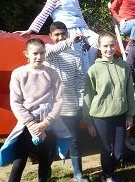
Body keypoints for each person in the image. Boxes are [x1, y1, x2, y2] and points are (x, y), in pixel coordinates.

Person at [0, 38, 68, 182]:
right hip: (26, 125)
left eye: (42, 53)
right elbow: (16, 103)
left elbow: (59, 100)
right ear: (26, 54)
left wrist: (46, 123)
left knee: (45, 160)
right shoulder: (18, 74)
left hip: (48, 125)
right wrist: (31, 124)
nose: (39, 57)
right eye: (35, 53)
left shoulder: (52, 73)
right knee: (19, 161)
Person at [15, 0, 99, 73]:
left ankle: (89, 68)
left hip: (80, 28)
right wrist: (31, 29)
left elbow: (80, 15)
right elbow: (44, 13)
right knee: (78, 53)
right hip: (67, 29)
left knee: (97, 41)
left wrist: (86, 29)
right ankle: (83, 73)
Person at [83, 31, 135, 182]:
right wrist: (89, 122)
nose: (109, 49)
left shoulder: (124, 66)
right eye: (105, 46)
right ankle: (109, 176)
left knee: (119, 152)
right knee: (106, 150)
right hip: (100, 117)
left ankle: (106, 173)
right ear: (99, 47)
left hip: (120, 115)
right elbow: (88, 96)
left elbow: (129, 91)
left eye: (112, 45)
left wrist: (130, 116)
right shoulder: (93, 70)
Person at [45, 21, 87, 182]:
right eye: (57, 34)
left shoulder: (75, 55)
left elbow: (79, 81)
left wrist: (81, 103)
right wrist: (70, 41)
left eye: (64, 34)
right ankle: (46, 175)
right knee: (49, 143)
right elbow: (52, 51)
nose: (61, 37)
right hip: (50, 109)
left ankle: (78, 174)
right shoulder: (48, 50)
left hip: (70, 107)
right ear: (50, 36)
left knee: (75, 142)